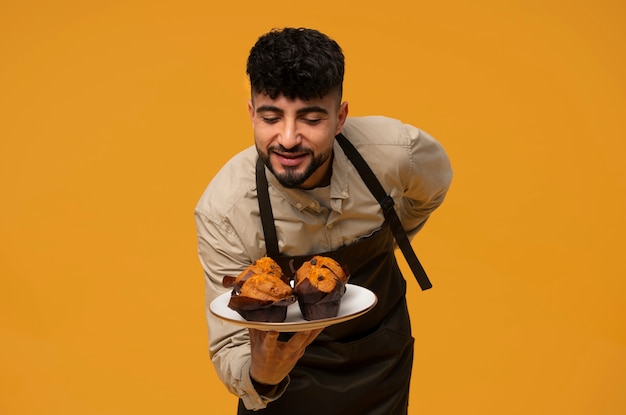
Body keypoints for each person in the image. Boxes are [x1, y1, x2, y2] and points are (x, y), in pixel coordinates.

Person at [195, 27, 453, 414]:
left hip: (381, 360)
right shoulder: (225, 210)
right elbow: (229, 343)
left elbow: (429, 191)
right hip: (284, 384)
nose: (287, 138)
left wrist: (387, 243)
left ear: (340, 116)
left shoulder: (400, 153)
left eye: (311, 119)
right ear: (251, 114)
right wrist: (263, 374)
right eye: (271, 117)